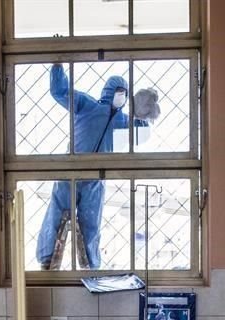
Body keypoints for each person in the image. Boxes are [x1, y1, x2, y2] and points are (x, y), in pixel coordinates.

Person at [36, 64, 154, 270]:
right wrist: (57, 65)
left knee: (91, 224)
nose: (121, 97)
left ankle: (91, 265)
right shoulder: (86, 105)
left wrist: (144, 110)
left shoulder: (122, 120)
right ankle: (47, 258)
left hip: (96, 178)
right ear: (109, 92)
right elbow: (60, 91)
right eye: (119, 92)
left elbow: (142, 130)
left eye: (124, 94)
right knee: (56, 215)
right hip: (70, 174)